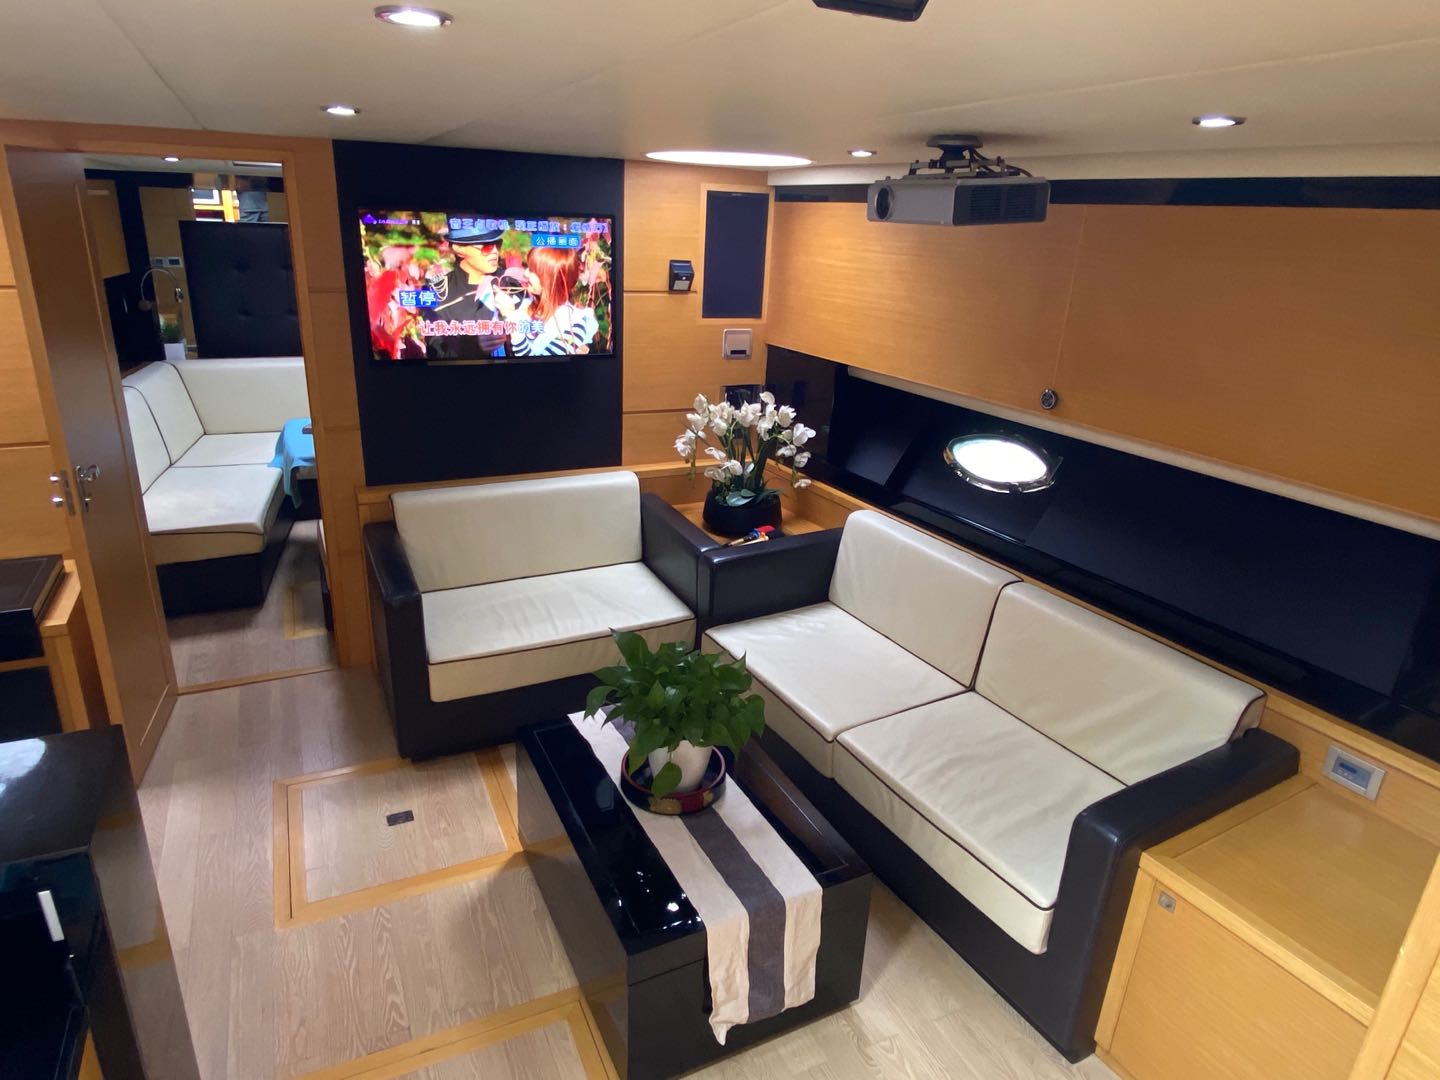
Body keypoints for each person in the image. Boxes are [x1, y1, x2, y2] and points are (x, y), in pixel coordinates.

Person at [426, 220, 509, 358]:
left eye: (498, 244)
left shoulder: (511, 284)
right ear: (459, 248)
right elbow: (437, 351)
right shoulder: (436, 293)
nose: (495, 251)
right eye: (487, 246)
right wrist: (473, 347)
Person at [504, 245, 599, 357]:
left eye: (532, 270)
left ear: (551, 279)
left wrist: (512, 319)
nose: (525, 273)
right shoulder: (526, 305)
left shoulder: (573, 324)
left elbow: (538, 366)